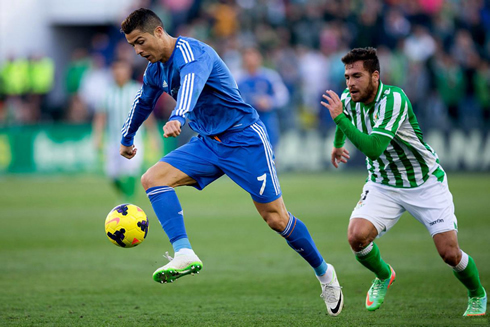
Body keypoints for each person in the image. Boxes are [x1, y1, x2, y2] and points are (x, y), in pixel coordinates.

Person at [118, 8, 343, 316]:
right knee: (152, 179)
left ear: (158, 32)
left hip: (244, 140)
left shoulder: (194, 52)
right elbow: (144, 101)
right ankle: (183, 252)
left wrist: (178, 116)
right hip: (209, 143)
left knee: (276, 219)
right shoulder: (155, 69)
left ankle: (325, 273)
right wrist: (127, 137)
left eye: (140, 41)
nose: (138, 50)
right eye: (132, 45)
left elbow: (191, 86)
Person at [321, 47, 486, 316]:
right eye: (347, 76)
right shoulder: (348, 99)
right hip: (383, 183)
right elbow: (345, 120)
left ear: (375, 76)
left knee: (449, 253)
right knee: (356, 237)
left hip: (424, 182)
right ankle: (384, 275)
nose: (350, 83)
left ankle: (477, 293)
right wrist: (338, 145)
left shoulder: (394, 99)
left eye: (357, 76)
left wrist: (339, 117)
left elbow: (374, 147)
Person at [93, 59, 158, 203]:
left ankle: (128, 200)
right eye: (116, 70)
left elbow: (147, 116)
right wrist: (97, 137)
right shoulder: (107, 93)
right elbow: (101, 117)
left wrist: (153, 136)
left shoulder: (137, 90)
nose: (119, 73)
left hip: (135, 140)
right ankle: (125, 196)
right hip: (113, 140)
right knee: (112, 174)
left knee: (130, 170)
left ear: (128, 72)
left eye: (122, 69)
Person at [236, 48, 289, 150]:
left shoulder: (270, 76)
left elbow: (283, 95)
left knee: (270, 150)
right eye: (247, 57)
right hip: (246, 121)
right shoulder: (238, 77)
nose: (250, 60)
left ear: (259, 58)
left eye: (253, 56)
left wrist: (270, 101)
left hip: (267, 119)